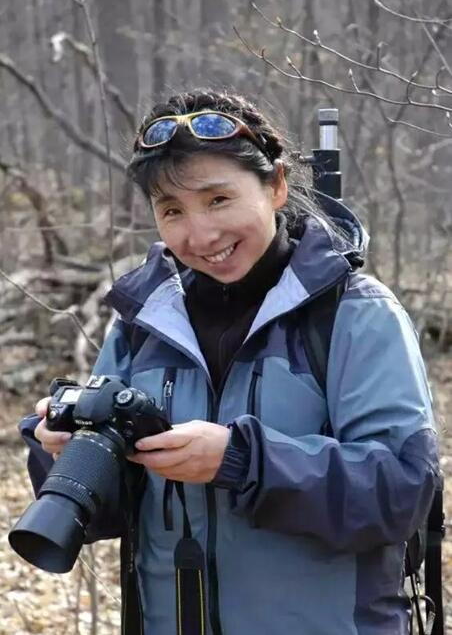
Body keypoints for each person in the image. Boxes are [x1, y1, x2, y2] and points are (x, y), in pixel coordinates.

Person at [22, 89, 439, 634]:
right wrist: (65, 452)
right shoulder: (143, 322)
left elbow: (402, 491)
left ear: (276, 185)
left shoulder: (355, 314)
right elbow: (112, 514)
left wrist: (242, 462)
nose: (200, 234)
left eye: (218, 199)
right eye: (172, 210)